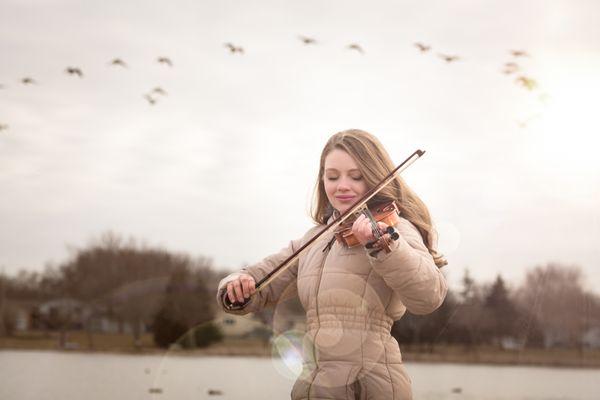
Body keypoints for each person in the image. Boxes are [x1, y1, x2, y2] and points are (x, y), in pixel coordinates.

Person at [216, 129, 448, 400]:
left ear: (374, 176)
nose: (342, 186)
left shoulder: (393, 229)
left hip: (372, 387)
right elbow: (259, 279)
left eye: (356, 176)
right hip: (316, 386)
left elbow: (429, 296)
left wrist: (384, 247)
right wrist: (234, 286)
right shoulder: (314, 239)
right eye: (332, 176)